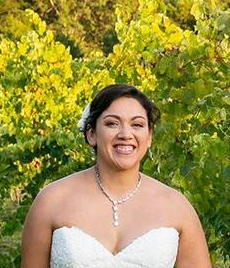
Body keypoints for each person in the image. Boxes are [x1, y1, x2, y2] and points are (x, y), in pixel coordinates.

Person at [21, 84, 213, 268]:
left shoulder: (177, 207)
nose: (126, 134)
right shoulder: (51, 201)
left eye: (137, 124)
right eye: (112, 123)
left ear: (149, 137)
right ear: (91, 134)